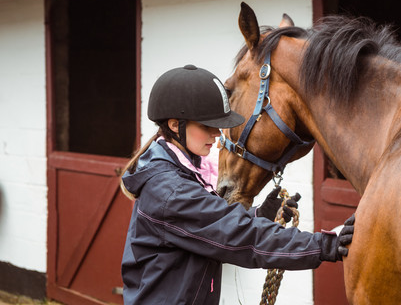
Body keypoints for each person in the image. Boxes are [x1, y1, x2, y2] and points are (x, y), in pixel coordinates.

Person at [120, 65, 355, 305]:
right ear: (173, 125)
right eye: (206, 126)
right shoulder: (170, 191)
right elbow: (242, 236)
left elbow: (211, 224)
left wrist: (259, 213)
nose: (217, 134)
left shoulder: (182, 172)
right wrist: (325, 244)